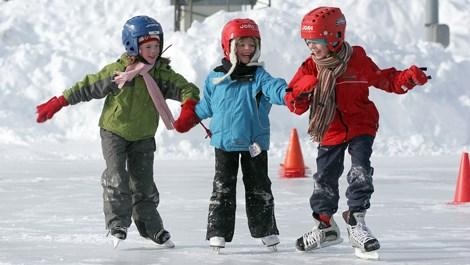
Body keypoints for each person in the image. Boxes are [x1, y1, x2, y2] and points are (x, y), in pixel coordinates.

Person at [35, 15, 200, 248]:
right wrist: (59, 101)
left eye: (156, 46)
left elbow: (187, 88)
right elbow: (88, 86)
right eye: (148, 46)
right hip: (114, 133)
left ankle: (151, 227)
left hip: (143, 136)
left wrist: (188, 106)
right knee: (116, 176)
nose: (153, 51)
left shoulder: (161, 74)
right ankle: (117, 224)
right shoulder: (119, 72)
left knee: (143, 184)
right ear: (133, 45)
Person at [286, 7, 429, 258]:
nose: (311, 47)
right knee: (324, 179)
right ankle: (325, 226)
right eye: (308, 42)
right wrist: (301, 92)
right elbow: (294, 103)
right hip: (329, 129)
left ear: (335, 38)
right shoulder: (310, 68)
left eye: (316, 41)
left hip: (360, 126)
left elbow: (386, 80)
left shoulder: (357, 60)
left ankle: (356, 222)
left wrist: (409, 78)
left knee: (360, 171)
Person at [173, 18, 299, 252]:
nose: (247, 50)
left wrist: (289, 95)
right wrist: (189, 118)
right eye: (241, 44)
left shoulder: (260, 76)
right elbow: (206, 107)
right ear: (228, 46)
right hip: (223, 143)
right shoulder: (216, 78)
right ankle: (217, 231)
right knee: (222, 187)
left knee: (259, 187)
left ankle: (266, 230)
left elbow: (276, 88)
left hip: (255, 143)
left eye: (252, 45)